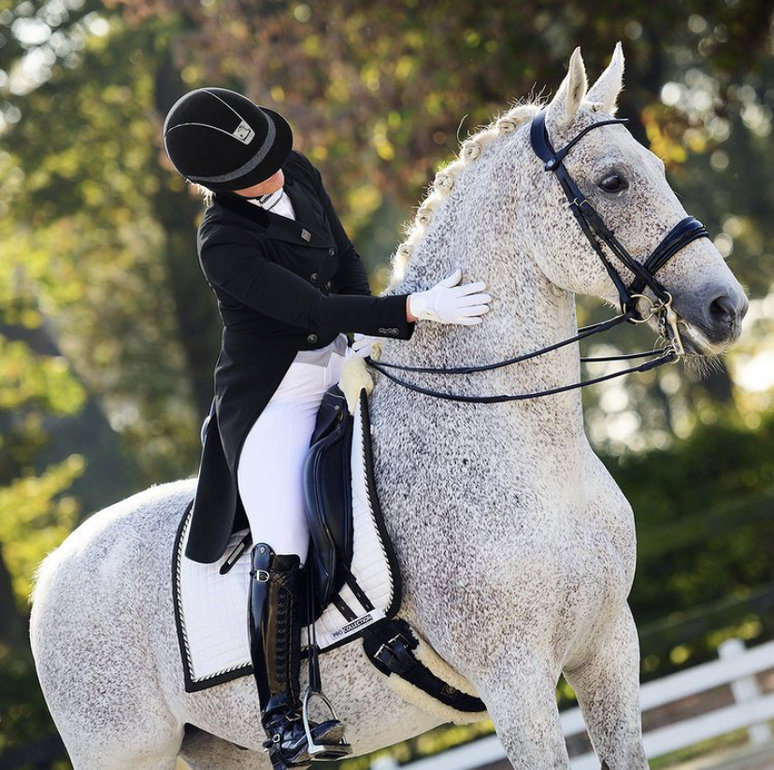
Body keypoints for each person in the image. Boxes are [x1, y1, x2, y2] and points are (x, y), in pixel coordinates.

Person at [162, 87, 490, 769]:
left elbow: (341, 262)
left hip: (340, 359)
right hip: (275, 397)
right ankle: (284, 719)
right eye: (256, 172)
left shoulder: (299, 171)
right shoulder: (221, 242)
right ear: (214, 187)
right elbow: (307, 304)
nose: (275, 173)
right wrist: (410, 309)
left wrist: (365, 341)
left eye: (272, 156)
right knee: (282, 539)